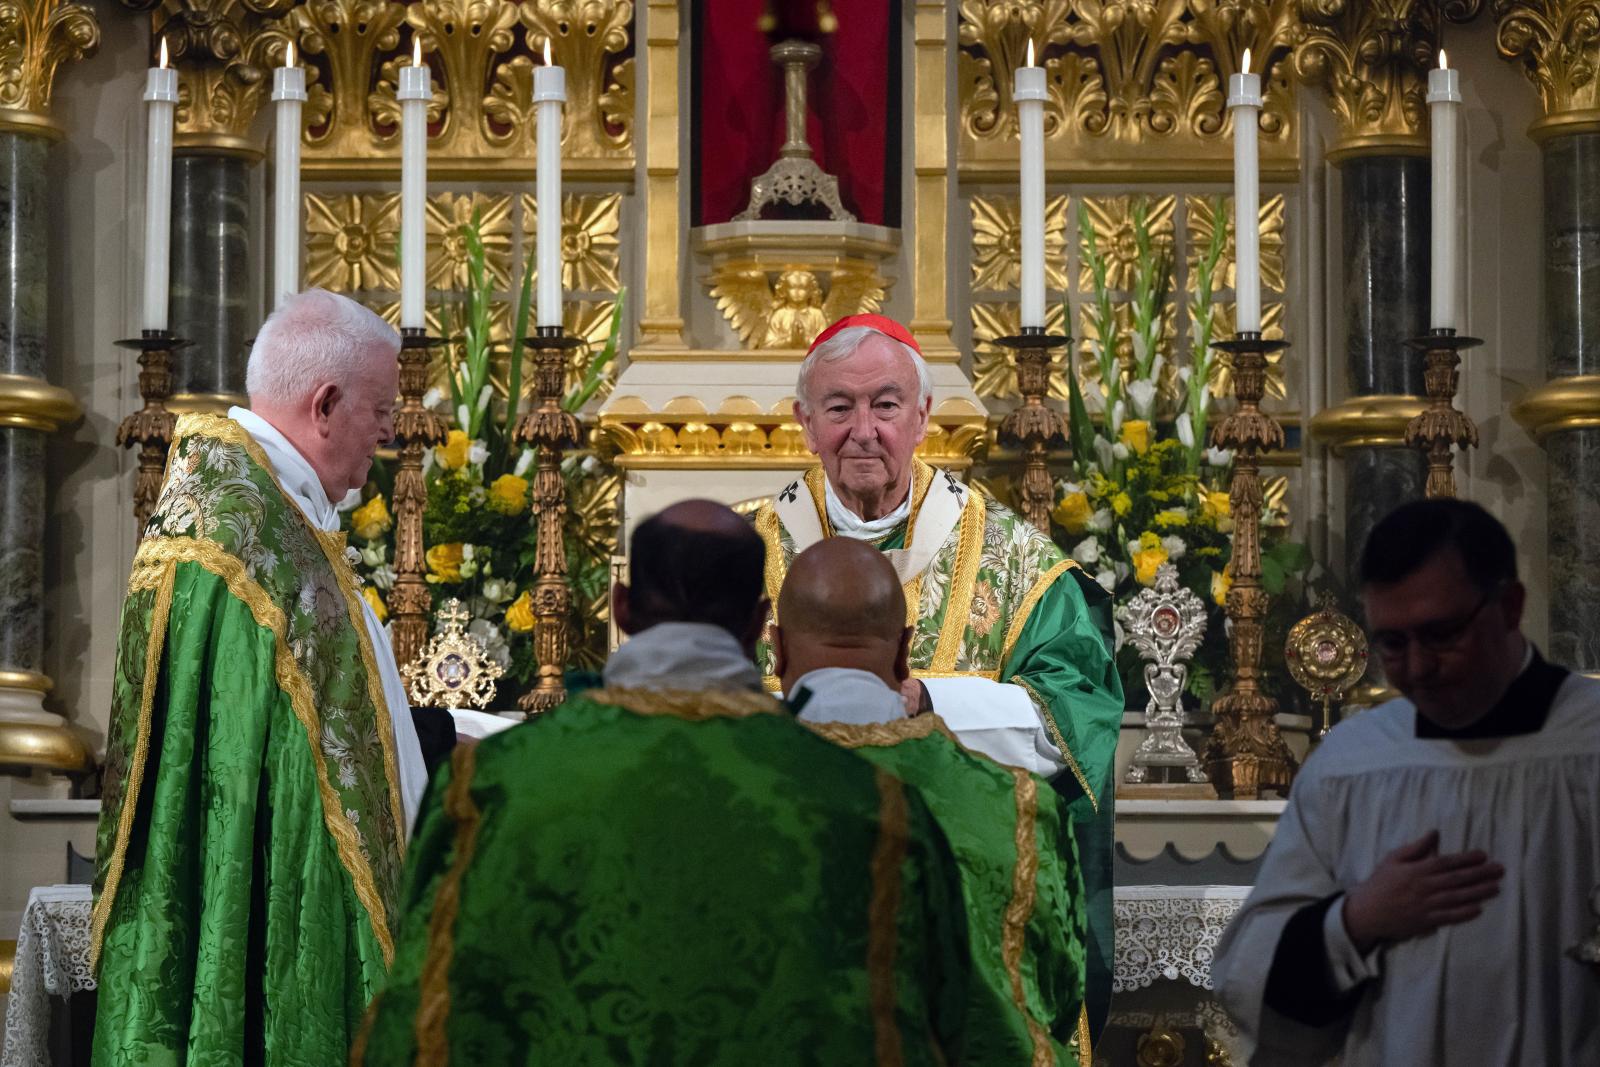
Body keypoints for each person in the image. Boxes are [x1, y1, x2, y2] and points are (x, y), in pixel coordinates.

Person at [355, 501, 972, 1066]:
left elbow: (417, 1015)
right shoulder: (870, 801)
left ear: (621, 606)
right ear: (761, 626)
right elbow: (944, 1021)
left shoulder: (490, 786)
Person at [753, 313, 1124, 1036]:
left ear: (922, 417)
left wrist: (925, 699)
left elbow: (1076, 719)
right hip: (780, 899)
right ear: (804, 421)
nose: (864, 429)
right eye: (839, 407)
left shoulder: (1017, 561)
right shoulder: (744, 548)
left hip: (965, 907)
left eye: (885, 404)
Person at [91, 289, 429, 1062]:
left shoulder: (270, 517)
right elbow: (257, 790)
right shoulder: (243, 543)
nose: (390, 428)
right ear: (326, 402)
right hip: (281, 917)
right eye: (380, 407)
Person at [1212, 499, 1600, 1065]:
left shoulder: (1588, 743)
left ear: (1510, 606)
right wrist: (1356, 920)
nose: (1417, 667)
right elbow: (1253, 974)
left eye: (1442, 634)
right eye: (1393, 643)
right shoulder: (1353, 763)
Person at [777, 537, 1091, 1065]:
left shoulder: (719, 788)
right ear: (904, 653)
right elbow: (1058, 986)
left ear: (776, 647)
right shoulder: (1020, 808)